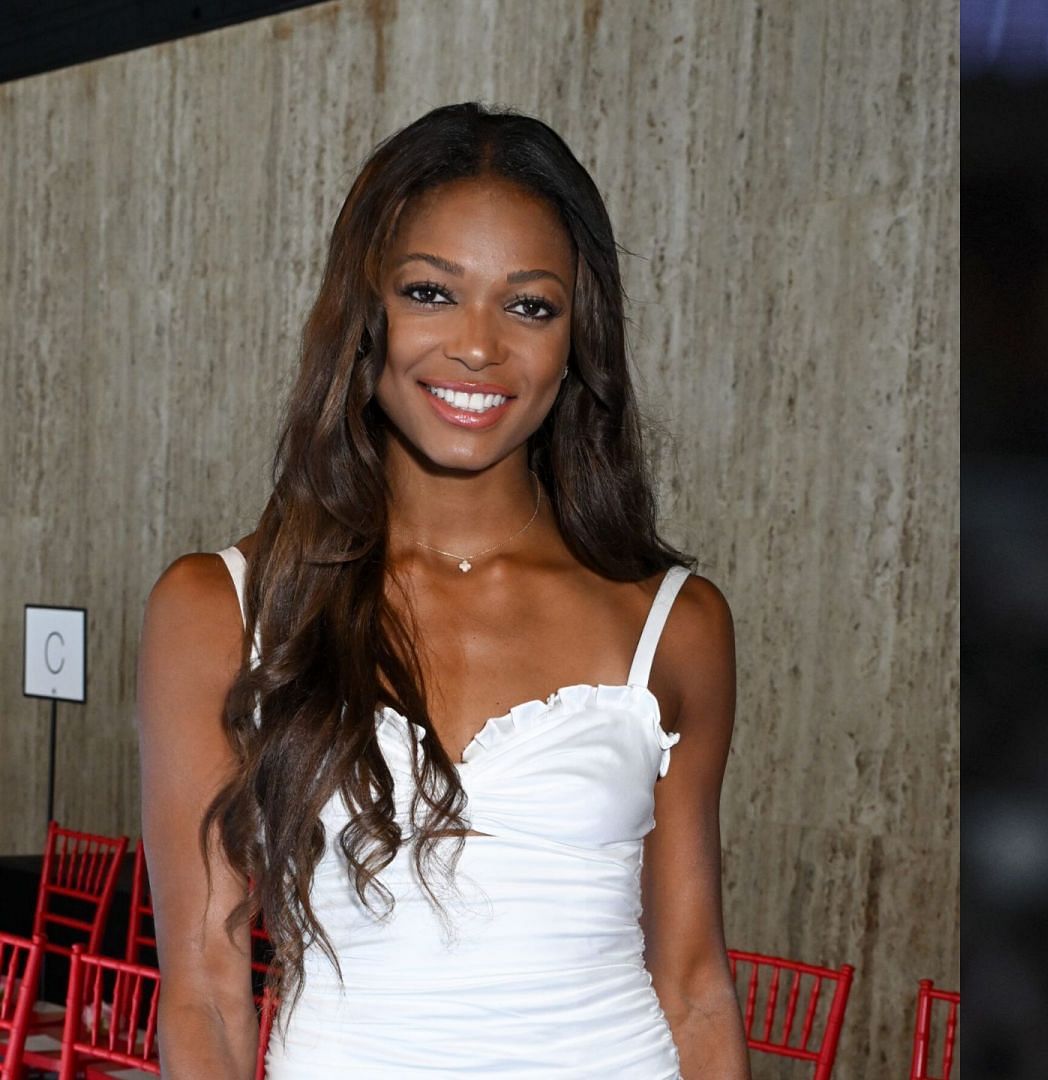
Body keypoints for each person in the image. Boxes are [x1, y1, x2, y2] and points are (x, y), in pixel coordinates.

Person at [136, 103, 748, 1078]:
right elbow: (206, 990)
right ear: (362, 311)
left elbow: (694, 984)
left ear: (576, 337)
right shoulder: (221, 607)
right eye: (431, 292)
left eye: (530, 304)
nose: (477, 346)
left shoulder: (671, 623)